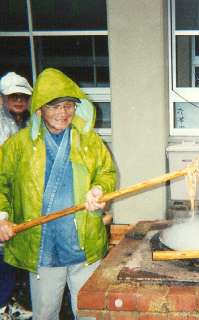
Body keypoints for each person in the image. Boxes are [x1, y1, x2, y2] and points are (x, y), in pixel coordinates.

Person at [0, 68, 116, 319]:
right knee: (45, 313)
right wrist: (2, 217)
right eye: (55, 107)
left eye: (69, 106)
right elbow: (1, 184)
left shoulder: (89, 140)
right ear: (40, 109)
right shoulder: (17, 146)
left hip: (85, 246)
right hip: (44, 248)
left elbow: (106, 173)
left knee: (89, 311)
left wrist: (99, 189)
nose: (63, 113)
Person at [0, 72, 33, 320]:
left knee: (11, 253)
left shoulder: (28, 123)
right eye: (13, 96)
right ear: (2, 98)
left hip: (17, 196)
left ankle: (7, 303)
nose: (19, 100)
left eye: (23, 96)